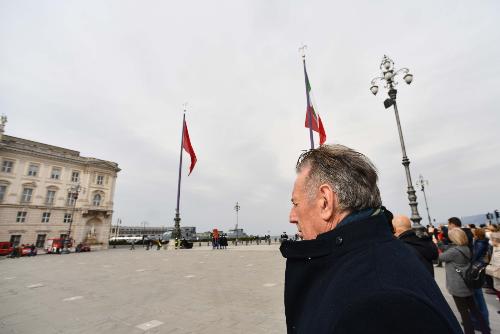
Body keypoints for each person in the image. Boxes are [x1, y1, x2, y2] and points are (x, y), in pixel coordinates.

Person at [280, 144, 461, 334]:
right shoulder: (387, 254)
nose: (292, 217)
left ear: (325, 201)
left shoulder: (379, 304)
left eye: (296, 203)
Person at [439, 228, 490, 334]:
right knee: (474, 310)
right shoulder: (466, 248)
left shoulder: (454, 251)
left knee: (464, 313)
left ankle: (469, 332)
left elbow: (440, 257)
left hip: (457, 285)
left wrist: (437, 243)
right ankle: (486, 330)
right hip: (467, 283)